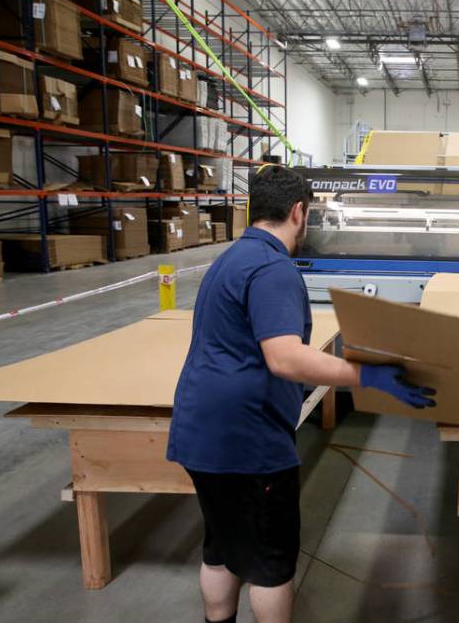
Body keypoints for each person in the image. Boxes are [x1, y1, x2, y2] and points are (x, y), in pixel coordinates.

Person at [166, 165, 435, 623]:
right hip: (247, 441)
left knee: (222, 546)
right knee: (271, 564)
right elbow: (285, 358)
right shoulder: (273, 269)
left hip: (201, 433)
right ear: (298, 212)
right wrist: (367, 376)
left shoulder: (229, 259)